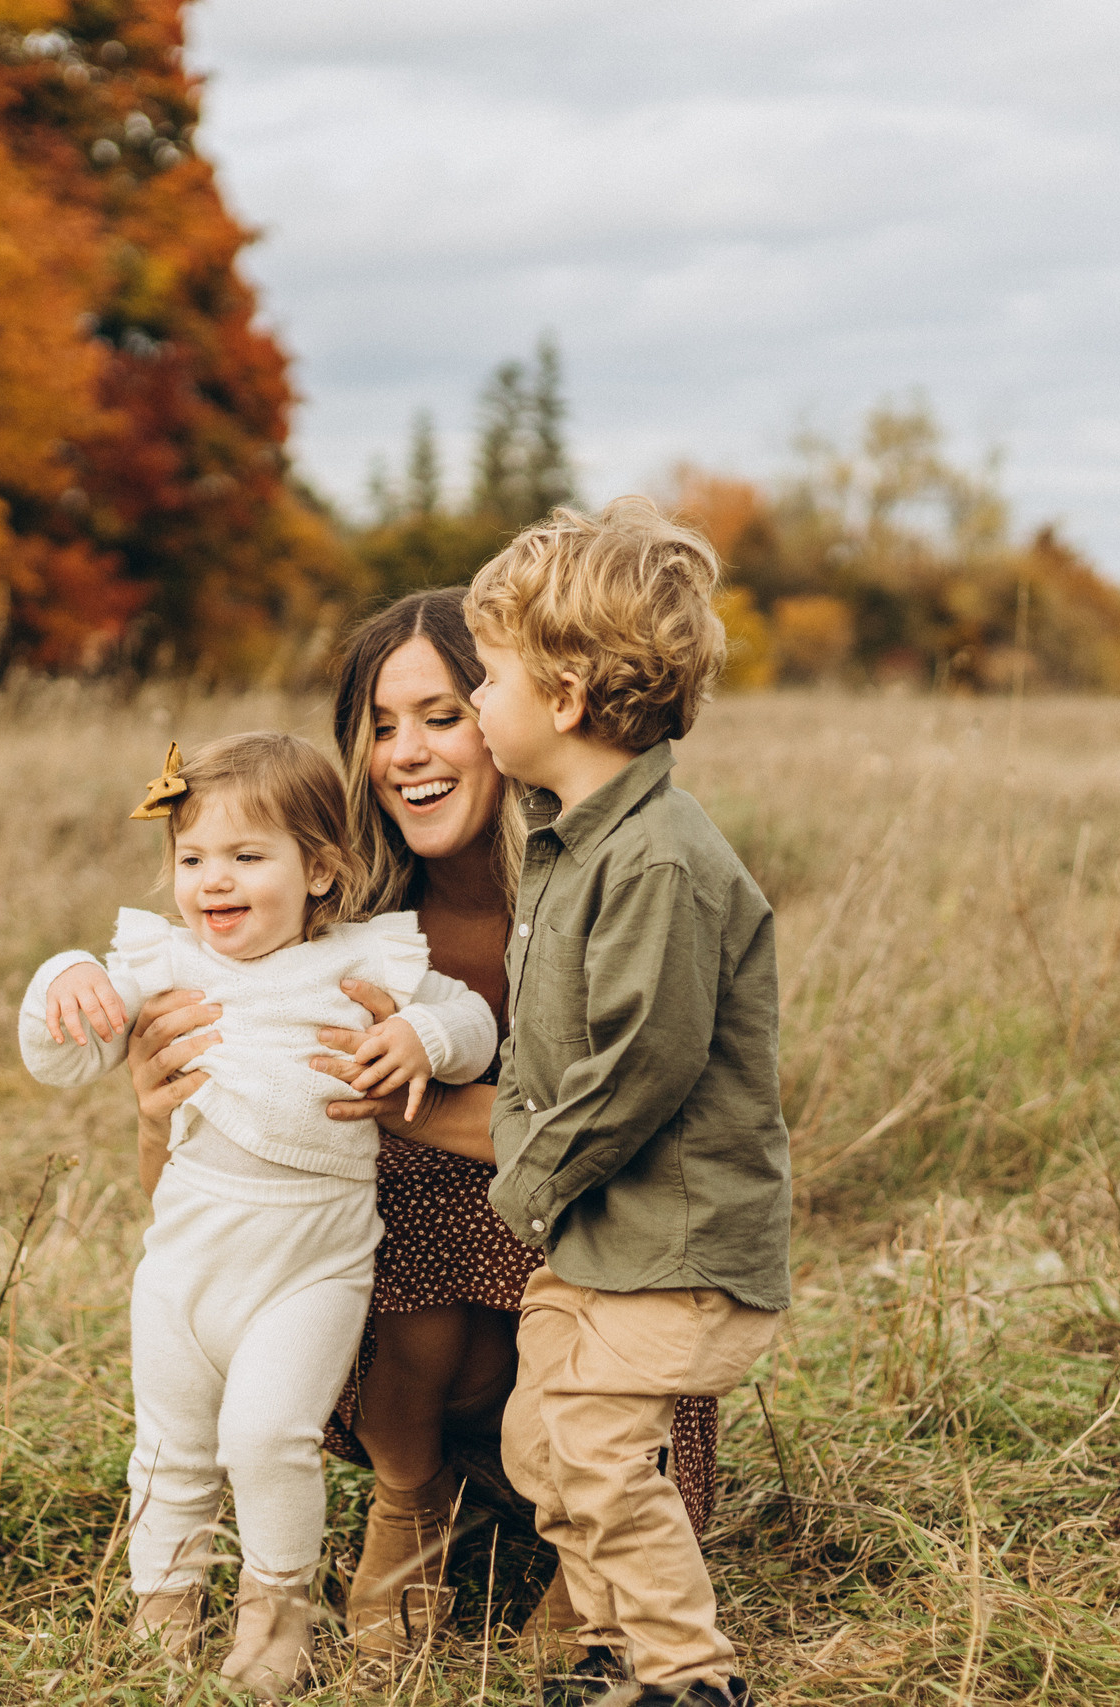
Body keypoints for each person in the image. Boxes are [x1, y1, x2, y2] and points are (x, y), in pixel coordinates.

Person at [116, 589, 727, 1673]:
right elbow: (199, 1139)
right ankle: (412, 1494)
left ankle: (592, 1542)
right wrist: (164, 1092)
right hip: (382, 1258)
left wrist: (420, 1104)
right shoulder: (337, 912)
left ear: (518, 708)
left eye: (443, 715)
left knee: (526, 1251)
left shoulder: (601, 878)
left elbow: (633, 1125)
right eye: (381, 725)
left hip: (578, 1218)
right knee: (369, 1238)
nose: (407, 753)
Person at [17, 732, 497, 1699]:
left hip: (311, 1267)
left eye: (247, 856)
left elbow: (475, 1027)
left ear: (320, 870)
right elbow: (61, 1057)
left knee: (267, 1436)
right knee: (169, 1447)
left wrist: (420, 1033)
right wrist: (62, 977)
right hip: (184, 1267)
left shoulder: (365, 962)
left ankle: (276, 1612)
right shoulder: (162, 964)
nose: (212, 882)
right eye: (192, 858)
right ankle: (164, 1605)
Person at [466, 499, 792, 1707]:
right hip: (597, 1238)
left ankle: (686, 1676)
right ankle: (609, 1652)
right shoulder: (570, 844)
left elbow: (638, 1066)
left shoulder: (657, 859)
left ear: (562, 696)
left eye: (486, 678)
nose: (474, 706)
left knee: (600, 1458)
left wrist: (527, 1177)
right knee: (541, 1445)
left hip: (671, 1238)